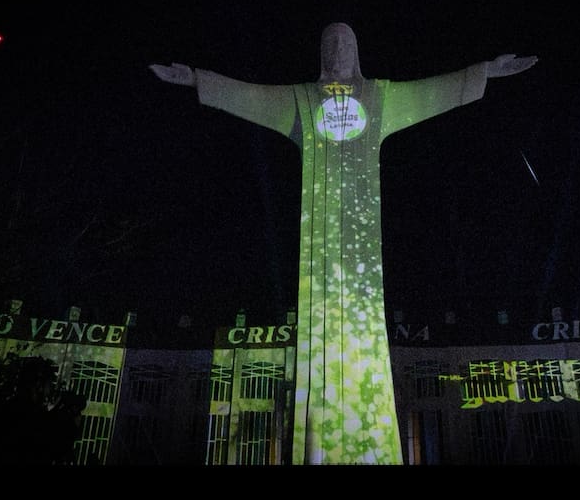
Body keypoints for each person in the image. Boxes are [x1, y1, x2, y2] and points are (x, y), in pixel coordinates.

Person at [150, 23, 537, 464]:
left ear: (356, 51)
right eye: (328, 44)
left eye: (344, 43)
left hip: (361, 260)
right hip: (319, 259)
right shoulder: (303, 100)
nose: (336, 50)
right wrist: (200, 79)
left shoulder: (381, 97)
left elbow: (436, 90)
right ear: (320, 53)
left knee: (364, 345)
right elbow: (252, 97)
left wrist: (484, 70)